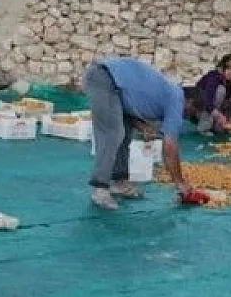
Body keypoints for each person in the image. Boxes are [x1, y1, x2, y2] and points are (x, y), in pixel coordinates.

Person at [81, 56, 197, 210]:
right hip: (103, 77)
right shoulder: (177, 99)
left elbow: (130, 105)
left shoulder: (168, 94)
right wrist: (180, 183)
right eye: (191, 112)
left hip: (116, 85)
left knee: (124, 133)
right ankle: (100, 188)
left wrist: (143, 127)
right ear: (190, 102)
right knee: (112, 134)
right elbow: (169, 147)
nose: (187, 117)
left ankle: (119, 182)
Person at [189, 54, 231, 135]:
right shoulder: (213, 76)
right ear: (222, 67)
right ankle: (204, 128)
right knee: (221, 90)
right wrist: (219, 115)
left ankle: (227, 124)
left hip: (217, 112)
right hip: (202, 110)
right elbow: (207, 101)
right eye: (228, 68)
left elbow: (230, 101)